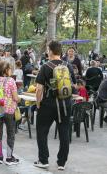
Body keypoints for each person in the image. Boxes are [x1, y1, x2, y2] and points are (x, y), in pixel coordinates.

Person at [34, 41, 76, 171]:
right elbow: (74, 85)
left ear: (50, 51)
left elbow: (39, 88)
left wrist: (38, 103)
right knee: (64, 132)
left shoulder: (46, 67)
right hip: (65, 103)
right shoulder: (68, 65)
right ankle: (61, 162)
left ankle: (43, 160)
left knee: (42, 131)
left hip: (48, 104)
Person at [0, 61, 21, 165]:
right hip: (9, 111)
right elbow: (15, 98)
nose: (11, 70)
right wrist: (19, 99)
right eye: (10, 69)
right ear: (6, 70)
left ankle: (0, 157)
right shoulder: (10, 81)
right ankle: (9, 158)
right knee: (10, 133)